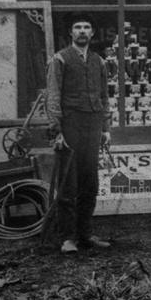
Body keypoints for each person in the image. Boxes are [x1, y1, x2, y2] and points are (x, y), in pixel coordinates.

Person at [46, 14, 112, 253]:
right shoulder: (60, 59)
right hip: (71, 124)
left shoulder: (99, 61)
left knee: (90, 183)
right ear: (71, 33)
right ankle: (67, 238)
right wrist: (57, 131)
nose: (82, 31)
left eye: (86, 27)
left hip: (93, 125)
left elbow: (104, 97)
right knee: (68, 184)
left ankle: (85, 234)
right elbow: (53, 96)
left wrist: (105, 128)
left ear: (92, 33)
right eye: (77, 27)